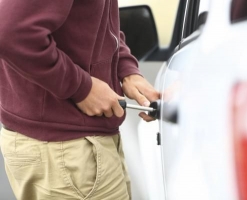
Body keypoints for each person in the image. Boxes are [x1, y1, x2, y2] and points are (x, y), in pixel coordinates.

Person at [0, 0, 159, 199]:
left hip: (72, 150)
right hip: (69, 152)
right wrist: (82, 88)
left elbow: (97, 23)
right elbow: (12, 32)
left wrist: (125, 68)